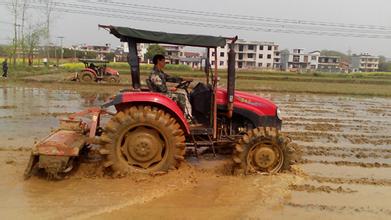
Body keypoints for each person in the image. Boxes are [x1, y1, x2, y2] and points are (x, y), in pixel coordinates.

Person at [149, 54, 193, 121]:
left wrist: (184, 79)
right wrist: (171, 89)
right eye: (163, 61)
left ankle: (186, 114)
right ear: (158, 61)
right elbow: (162, 89)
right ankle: (188, 117)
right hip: (160, 94)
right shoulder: (154, 74)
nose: (165, 63)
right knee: (182, 96)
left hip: (162, 93)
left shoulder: (160, 73)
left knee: (182, 92)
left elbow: (170, 78)